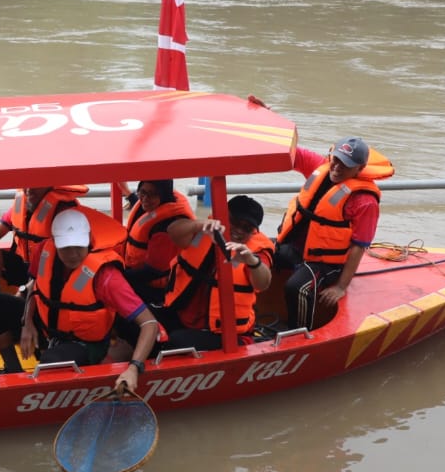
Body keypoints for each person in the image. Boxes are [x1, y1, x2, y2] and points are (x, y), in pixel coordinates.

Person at [0, 209, 157, 376]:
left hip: (83, 342)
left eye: (78, 246)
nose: (73, 254)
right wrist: (27, 322)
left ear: (88, 239)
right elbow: (35, 286)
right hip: (48, 327)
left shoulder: (106, 277)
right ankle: (14, 372)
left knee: (50, 366)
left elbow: (149, 323)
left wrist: (134, 367)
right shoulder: (44, 251)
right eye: (65, 247)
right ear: (54, 242)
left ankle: (93, 360)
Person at [274, 137, 393, 329]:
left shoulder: (364, 201)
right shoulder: (320, 167)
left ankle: (301, 334)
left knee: (297, 288)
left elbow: (359, 246)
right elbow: (290, 152)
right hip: (295, 247)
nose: (336, 167)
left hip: (326, 263)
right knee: (256, 254)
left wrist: (341, 287)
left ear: (360, 169)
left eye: (345, 165)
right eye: (335, 160)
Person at [154, 195, 275, 353]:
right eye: (235, 222)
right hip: (182, 314)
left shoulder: (256, 250)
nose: (239, 231)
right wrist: (199, 225)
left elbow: (263, 283)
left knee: (175, 341)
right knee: (141, 319)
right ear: (223, 216)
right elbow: (173, 232)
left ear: (254, 231)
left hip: (222, 332)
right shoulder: (205, 230)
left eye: (247, 228)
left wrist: (252, 261)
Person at [0, 186, 87, 338]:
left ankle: (19, 320)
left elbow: (68, 260)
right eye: (26, 184)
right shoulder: (22, 205)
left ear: (50, 185)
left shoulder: (63, 213)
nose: (29, 189)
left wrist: (23, 292)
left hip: (49, 276)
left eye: (36, 185)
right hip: (25, 267)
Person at [120, 179, 196, 306]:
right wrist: (128, 194)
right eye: (142, 192)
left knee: (111, 289)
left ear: (163, 194)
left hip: (158, 289)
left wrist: (120, 275)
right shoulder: (158, 204)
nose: (145, 198)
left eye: (153, 194)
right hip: (141, 275)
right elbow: (142, 212)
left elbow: (154, 271)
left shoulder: (166, 226)